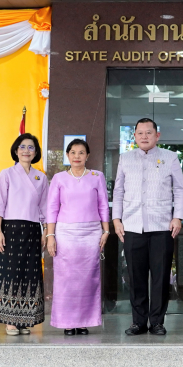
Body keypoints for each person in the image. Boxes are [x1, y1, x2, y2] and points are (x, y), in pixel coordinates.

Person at [112, 118, 183, 336]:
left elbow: (179, 190)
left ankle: (158, 322)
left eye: (148, 133)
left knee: (161, 277)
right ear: (134, 136)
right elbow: (118, 192)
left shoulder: (170, 158)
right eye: (140, 133)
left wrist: (177, 217)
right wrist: (116, 219)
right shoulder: (125, 159)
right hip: (132, 225)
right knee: (136, 276)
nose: (144, 136)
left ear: (157, 135)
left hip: (162, 225)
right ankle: (138, 322)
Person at [46, 138, 109, 336]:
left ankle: (84, 322)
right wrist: (50, 235)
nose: (77, 156)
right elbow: (52, 208)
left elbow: (103, 205)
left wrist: (105, 231)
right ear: (67, 155)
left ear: (88, 156)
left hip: (91, 233)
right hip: (65, 233)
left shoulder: (97, 176)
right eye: (73, 152)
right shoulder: (58, 178)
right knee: (66, 278)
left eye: (81, 152)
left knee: (88, 278)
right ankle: (66, 322)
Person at [0, 133, 49, 336]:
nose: (26, 150)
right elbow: (0, 204)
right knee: (11, 273)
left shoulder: (41, 177)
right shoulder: (6, 174)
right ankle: (10, 321)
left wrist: (46, 231)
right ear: (16, 151)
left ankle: (26, 320)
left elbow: (45, 207)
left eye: (31, 147)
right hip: (11, 229)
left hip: (33, 230)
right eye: (22, 147)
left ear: (36, 152)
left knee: (30, 274)